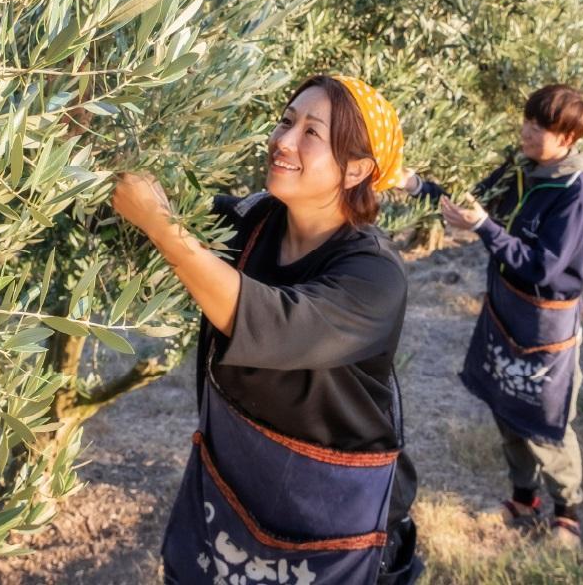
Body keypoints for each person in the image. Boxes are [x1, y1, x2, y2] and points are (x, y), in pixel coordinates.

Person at [113, 75, 423, 585]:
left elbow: (270, 322)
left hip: (332, 521)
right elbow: (157, 210)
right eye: (286, 121)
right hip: (232, 486)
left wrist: (161, 224)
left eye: (311, 133)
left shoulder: (374, 276)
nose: (283, 141)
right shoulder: (256, 220)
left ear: (357, 169)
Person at [400, 84, 583, 549]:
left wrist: (485, 228)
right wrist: (416, 186)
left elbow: (543, 265)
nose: (529, 132)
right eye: (528, 120)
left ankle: (567, 511)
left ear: (568, 139)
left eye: (542, 127)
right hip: (506, 308)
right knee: (507, 407)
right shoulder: (520, 169)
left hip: (547, 321)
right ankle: (523, 498)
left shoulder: (575, 193)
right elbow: (470, 203)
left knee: (547, 418)